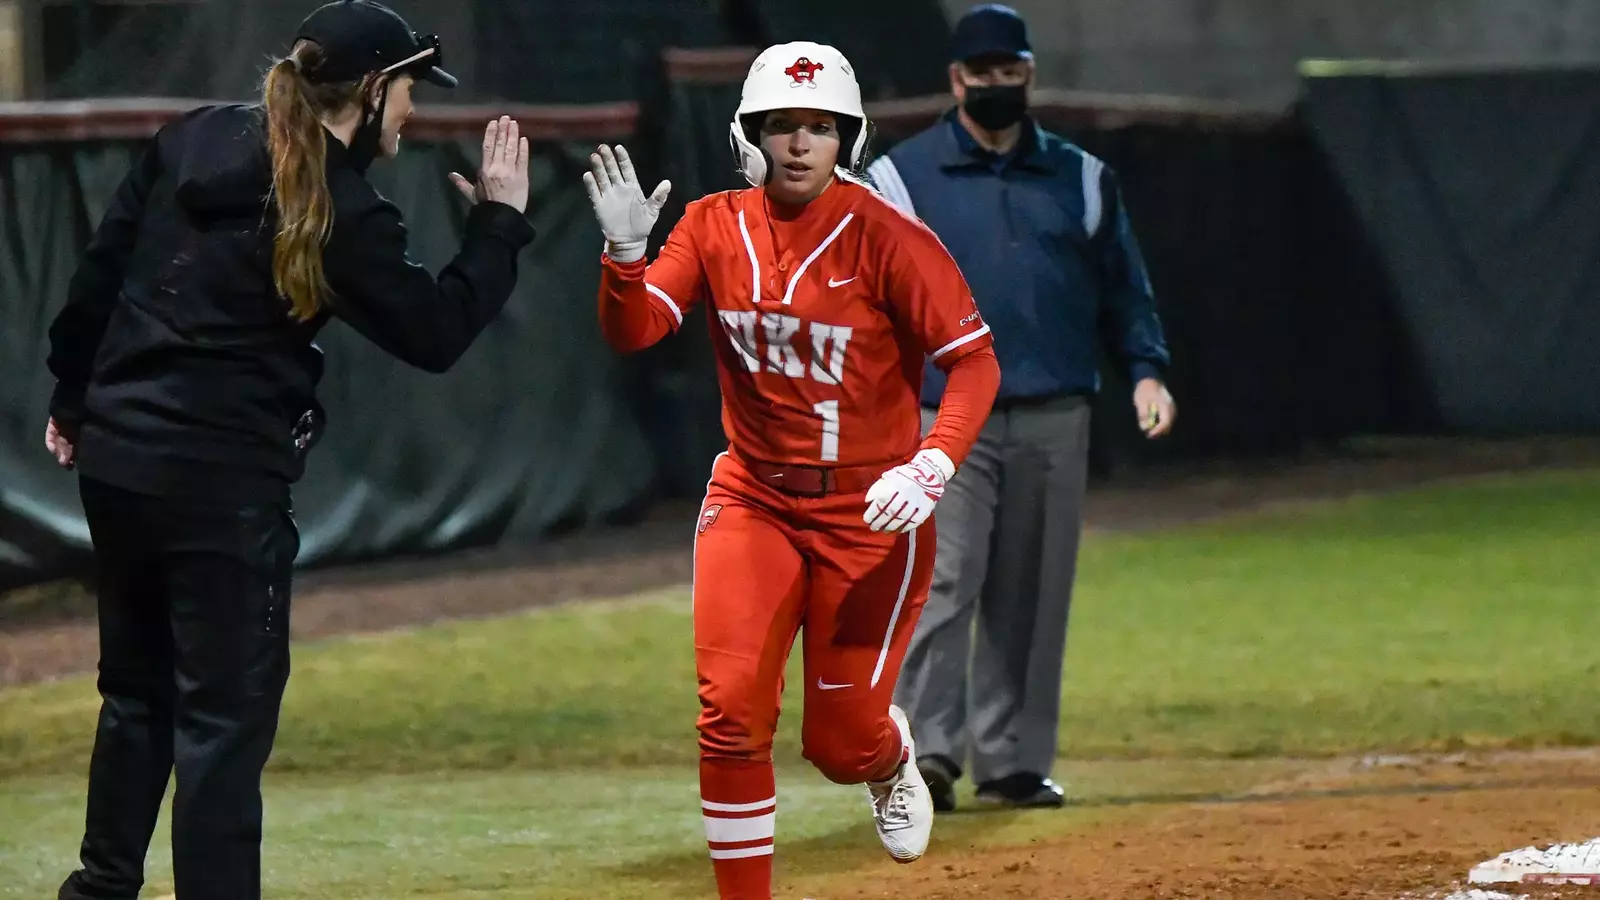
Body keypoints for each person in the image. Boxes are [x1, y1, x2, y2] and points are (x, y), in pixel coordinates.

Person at [41, 2, 535, 897]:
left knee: (137, 697)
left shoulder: (189, 139)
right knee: (223, 728)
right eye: (410, 88)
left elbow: (97, 281)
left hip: (119, 461)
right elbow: (437, 332)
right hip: (222, 485)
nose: (414, 110)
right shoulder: (343, 207)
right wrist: (500, 226)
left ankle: (99, 888)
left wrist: (75, 399)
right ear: (374, 90)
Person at [583, 39, 1001, 900]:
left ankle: (887, 758)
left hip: (870, 510)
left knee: (838, 747)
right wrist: (625, 260)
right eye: (782, 125)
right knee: (729, 714)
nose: (800, 143)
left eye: (820, 126)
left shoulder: (890, 238)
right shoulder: (710, 223)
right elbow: (635, 331)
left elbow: (975, 362)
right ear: (751, 136)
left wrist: (931, 466)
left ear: (848, 137)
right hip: (754, 497)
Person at [865, 3, 1175, 813]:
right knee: (941, 581)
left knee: (1031, 590)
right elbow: (869, 299)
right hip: (940, 417)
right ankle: (927, 754)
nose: (998, 84)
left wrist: (1146, 370)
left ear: (1027, 74)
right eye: (984, 73)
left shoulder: (1080, 176)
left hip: (1053, 407)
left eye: (1012, 71)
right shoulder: (902, 178)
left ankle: (1012, 762)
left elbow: (1124, 289)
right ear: (956, 80)